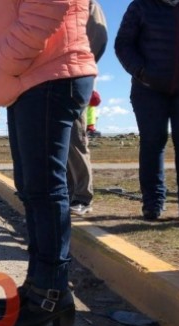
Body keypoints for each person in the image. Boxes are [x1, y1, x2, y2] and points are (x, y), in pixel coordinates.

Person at [0, 0, 97, 326]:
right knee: (34, 190)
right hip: (33, 76)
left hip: (47, 72)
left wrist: (5, 61)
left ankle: (51, 295)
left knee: (45, 191)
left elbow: (50, 4)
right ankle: (39, 286)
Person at [115, 0, 179, 222]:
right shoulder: (140, 6)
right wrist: (141, 71)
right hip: (148, 89)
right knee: (153, 142)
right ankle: (152, 204)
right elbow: (123, 44)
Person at [68, 0, 108, 217]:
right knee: (58, 146)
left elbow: (98, 38)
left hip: (74, 80)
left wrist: (80, 67)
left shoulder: (88, 3)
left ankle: (82, 196)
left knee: (75, 142)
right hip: (48, 81)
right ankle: (67, 193)